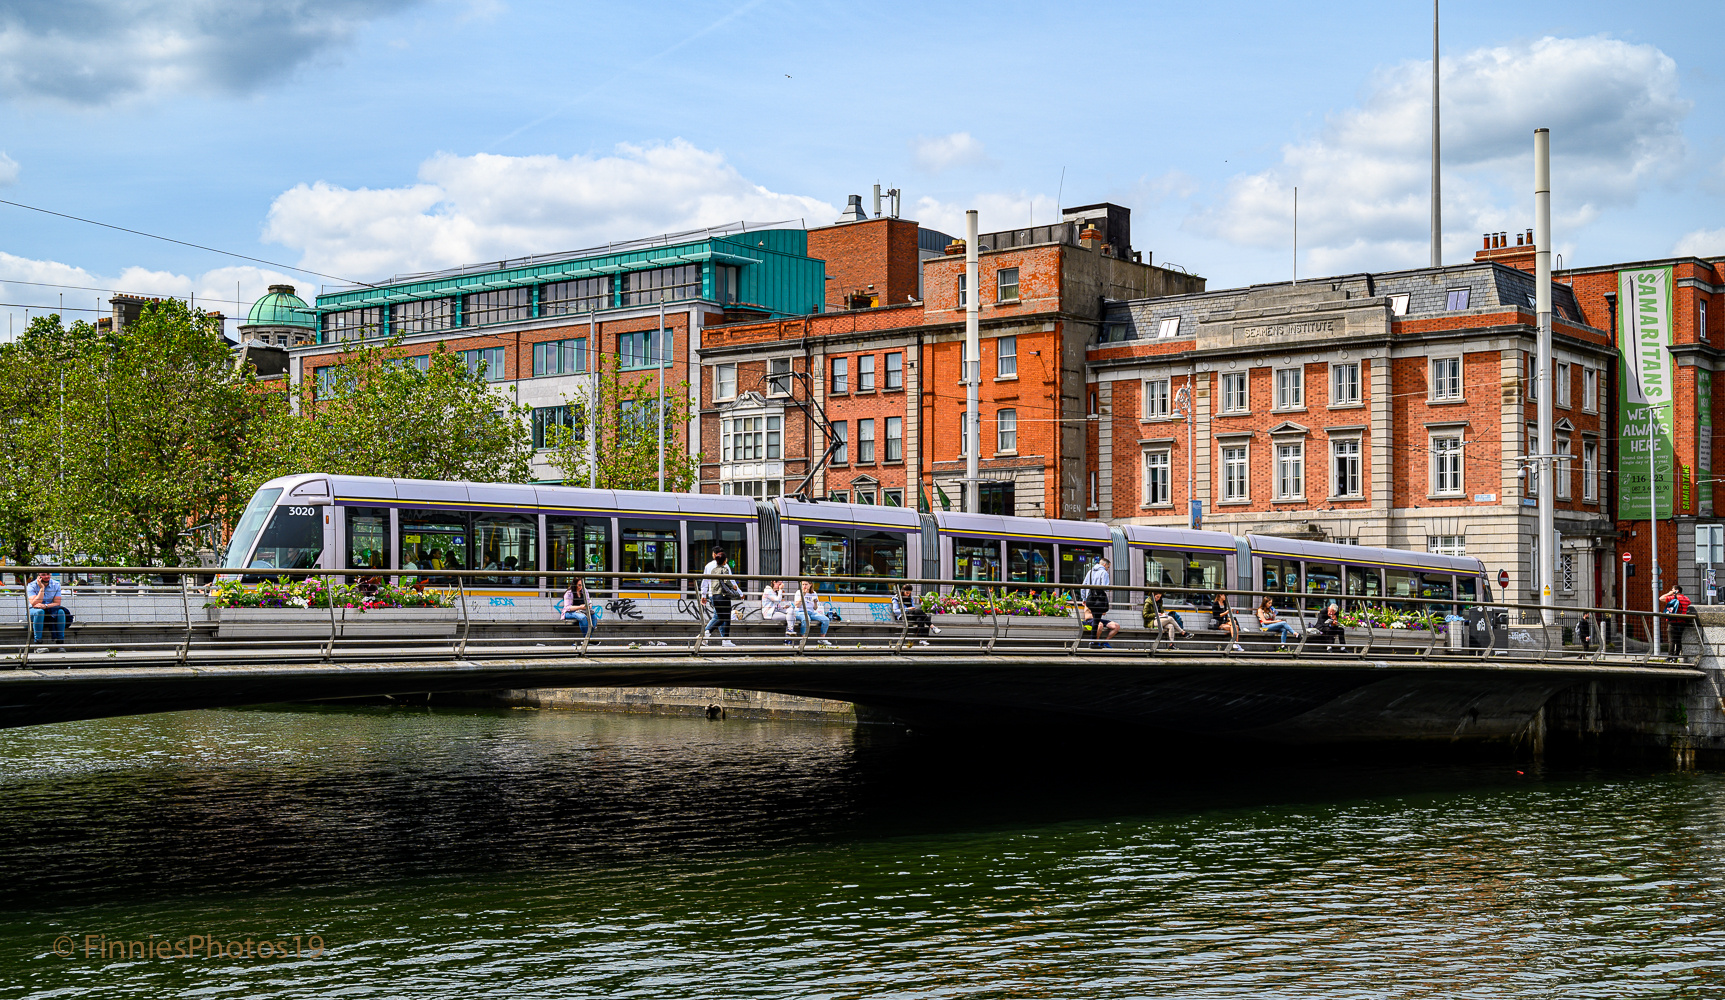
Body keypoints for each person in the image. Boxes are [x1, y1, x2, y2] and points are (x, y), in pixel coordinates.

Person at [701, 547, 737, 647]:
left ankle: (707, 634)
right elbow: (729, 581)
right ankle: (722, 639)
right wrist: (736, 589)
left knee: (720, 617)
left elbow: (705, 581)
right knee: (725, 618)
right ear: (725, 560)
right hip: (723, 596)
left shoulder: (710, 568)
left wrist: (703, 594)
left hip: (713, 595)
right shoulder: (725, 569)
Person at [1081, 554, 1120, 648]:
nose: (1108, 569)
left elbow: (1083, 586)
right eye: (1108, 567)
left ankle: (1093, 642)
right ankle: (1093, 642)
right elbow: (1105, 587)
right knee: (1097, 621)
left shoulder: (1090, 572)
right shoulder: (1104, 573)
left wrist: (1084, 599)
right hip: (1098, 599)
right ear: (1104, 565)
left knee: (1096, 622)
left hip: (1090, 599)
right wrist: (1110, 589)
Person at [26, 571, 68, 651]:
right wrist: (42, 588)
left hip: (49, 610)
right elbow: (34, 603)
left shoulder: (55, 584)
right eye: (43, 575)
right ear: (38, 576)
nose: (46, 576)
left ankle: (60, 644)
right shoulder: (31, 585)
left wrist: (45, 606)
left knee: (61, 612)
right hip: (34, 611)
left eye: (48, 574)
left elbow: (57, 603)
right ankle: (37, 645)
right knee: (39, 612)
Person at [795, 581, 833, 645]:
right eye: (803, 584)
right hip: (800, 611)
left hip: (811, 612)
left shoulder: (814, 593)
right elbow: (797, 605)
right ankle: (802, 639)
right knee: (806, 619)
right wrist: (803, 595)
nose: (804, 586)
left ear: (810, 585)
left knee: (826, 619)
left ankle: (822, 639)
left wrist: (815, 602)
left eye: (806, 584)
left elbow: (815, 608)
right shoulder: (799, 592)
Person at [760, 579, 796, 644]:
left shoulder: (774, 592)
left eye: (781, 585)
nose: (780, 586)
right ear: (774, 582)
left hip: (776, 611)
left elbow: (776, 605)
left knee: (790, 610)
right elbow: (777, 600)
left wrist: (784, 607)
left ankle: (790, 631)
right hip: (769, 613)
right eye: (779, 584)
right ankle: (788, 637)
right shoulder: (768, 591)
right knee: (791, 617)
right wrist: (780, 590)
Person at [1661, 585, 1693, 655]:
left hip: (1673, 622)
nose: (1672, 591)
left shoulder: (1674, 598)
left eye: (1673, 590)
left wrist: (1669, 594)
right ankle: (1676, 656)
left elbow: (1661, 598)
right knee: (1678, 640)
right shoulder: (1686, 599)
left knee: (1671, 641)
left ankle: (1670, 657)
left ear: (1677, 590)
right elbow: (1689, 603)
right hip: (1682, 622)